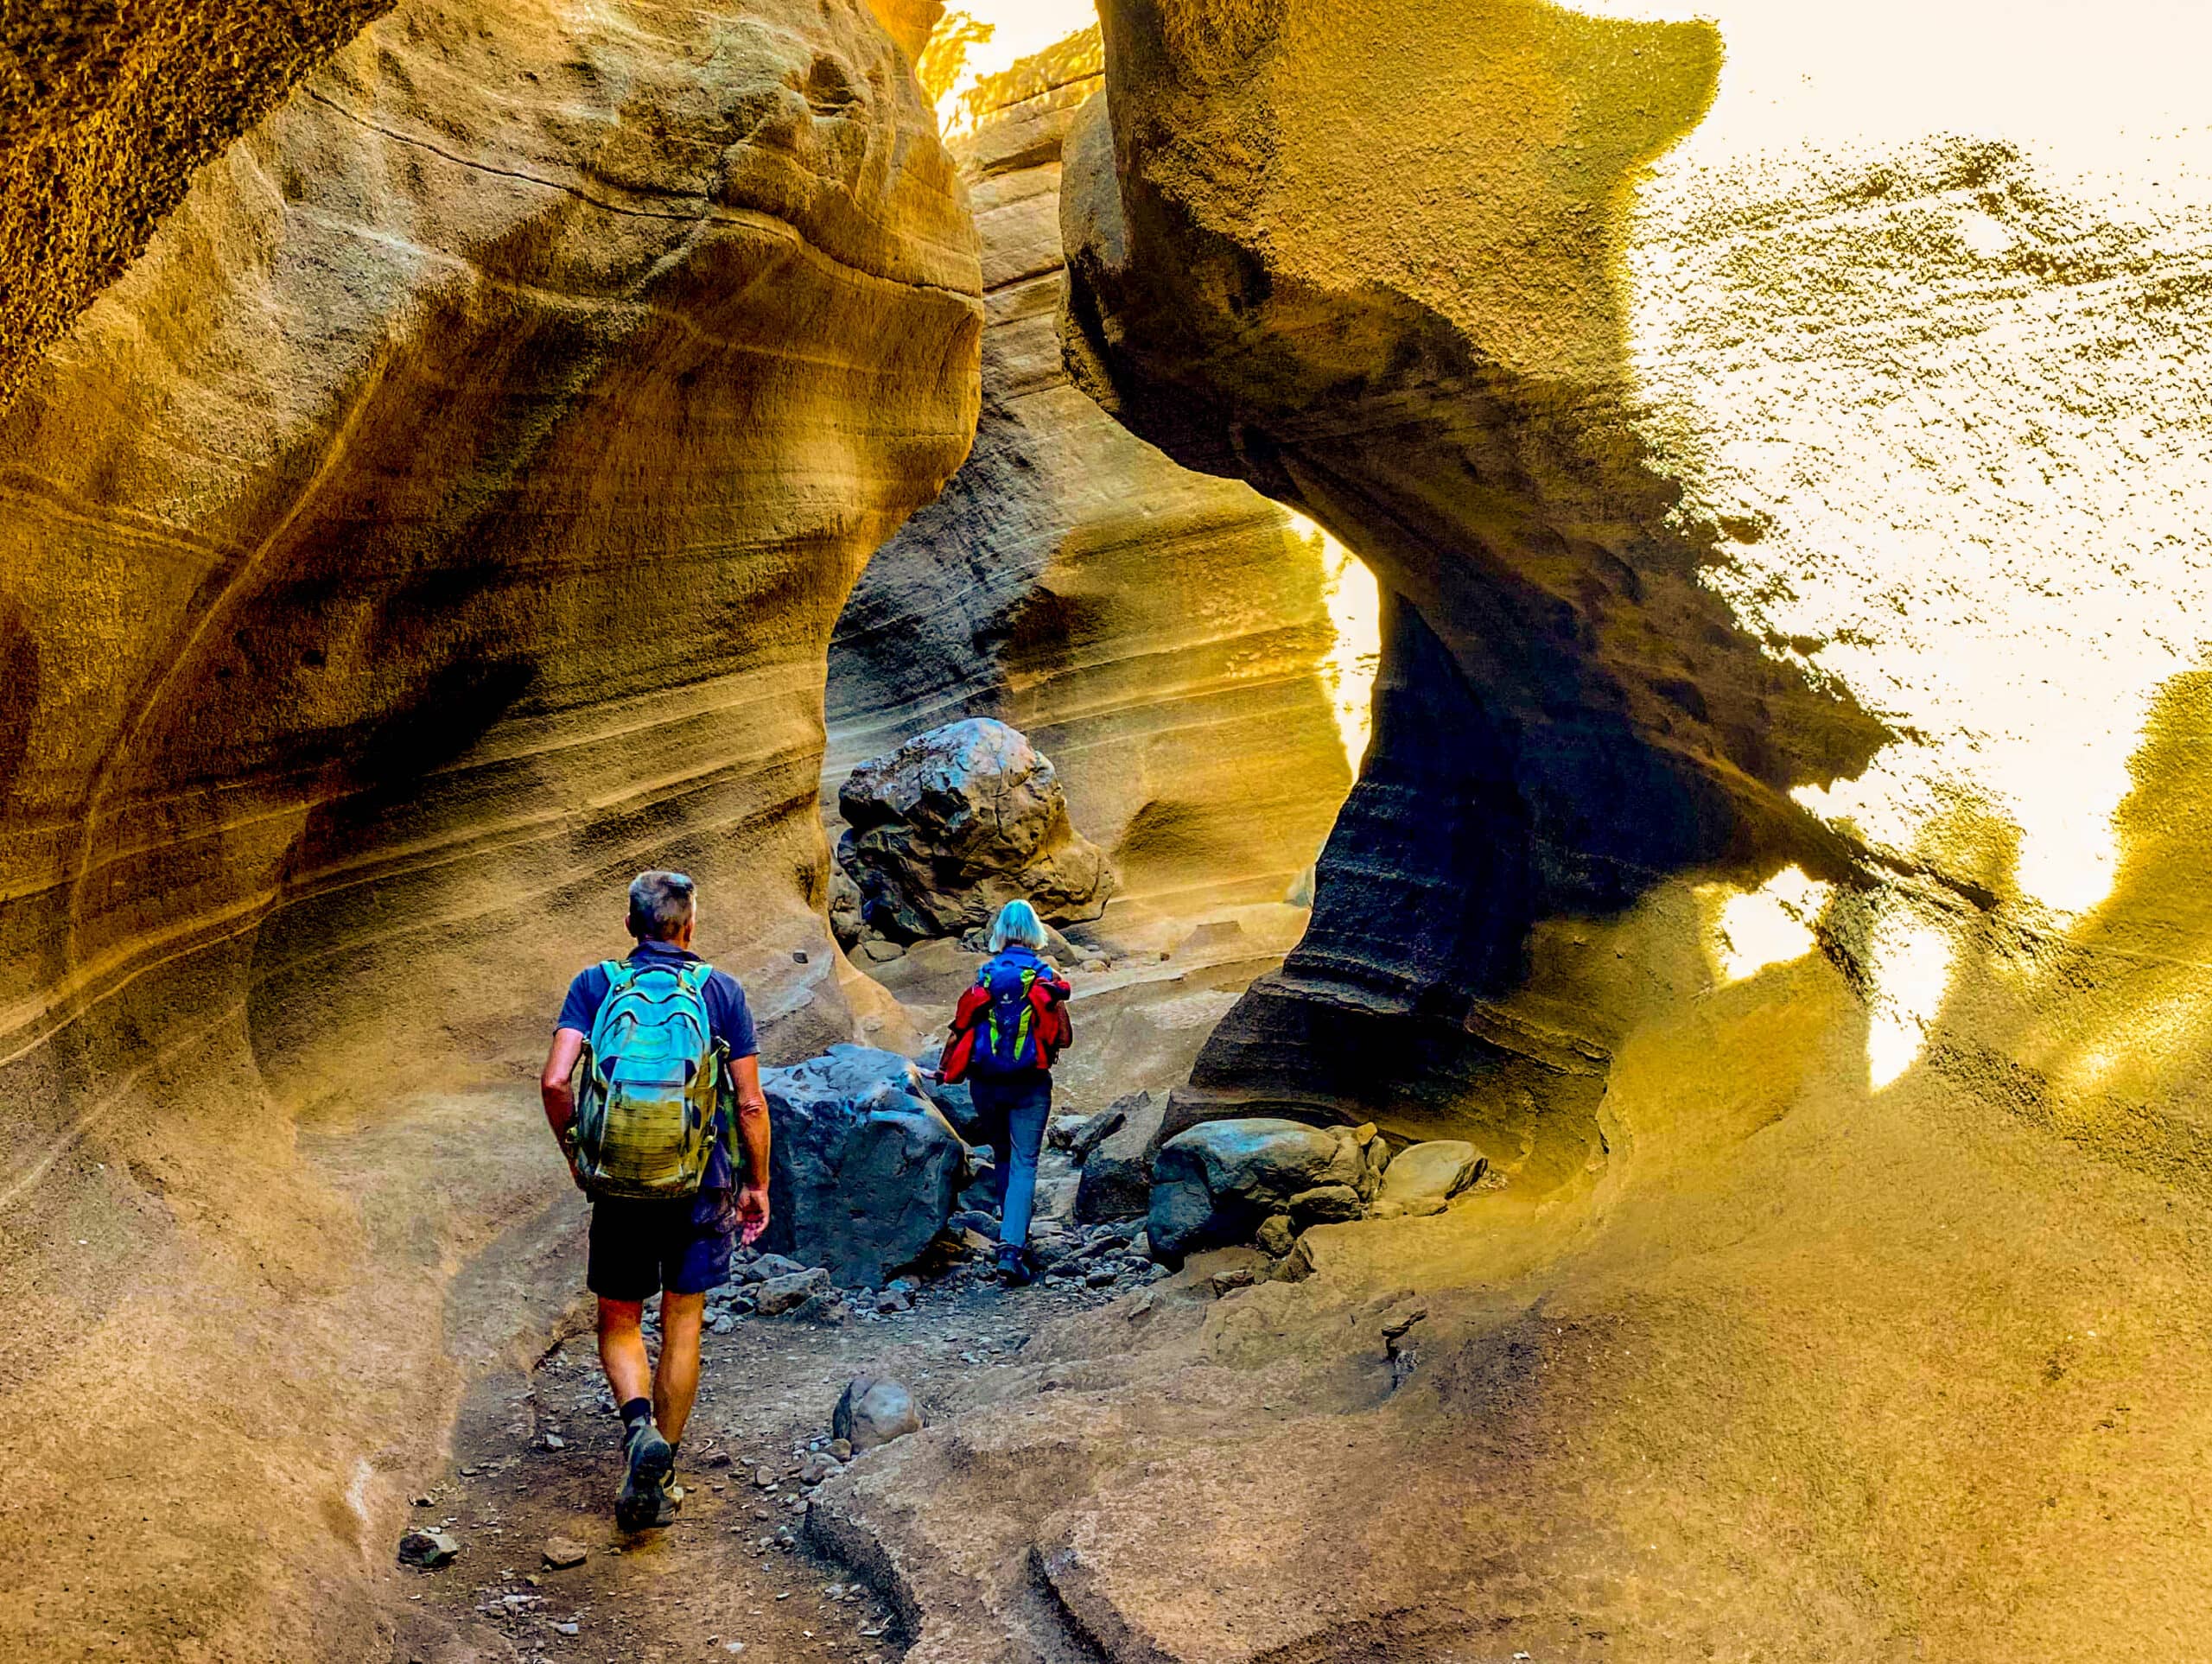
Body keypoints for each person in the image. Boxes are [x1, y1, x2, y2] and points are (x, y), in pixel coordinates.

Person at [539, 870, 771, 1532]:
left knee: (619, 1318)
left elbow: (557, 1082)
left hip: (618, 1184)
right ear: (689, 926)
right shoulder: (720, 991)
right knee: (683, 1321)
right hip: (699, 1181)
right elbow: (749, 1102)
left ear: (630, 926)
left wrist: (580, 1157)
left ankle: (637, 1426)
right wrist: (759, 1184)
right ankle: (661, 1470)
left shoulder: (595, 985)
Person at [938, 899, 1072, 1285]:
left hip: (986, 1085)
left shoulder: (985, 976)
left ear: (1000, 932)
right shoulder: (1046, 975)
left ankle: (1008, 1235)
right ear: (1034, 932)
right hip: (1030, 1084)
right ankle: (1012, 1248)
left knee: (1002, 1156)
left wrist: (946, 1069)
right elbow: (1062, 1038)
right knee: (1026, 1161)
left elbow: (960, 1028)